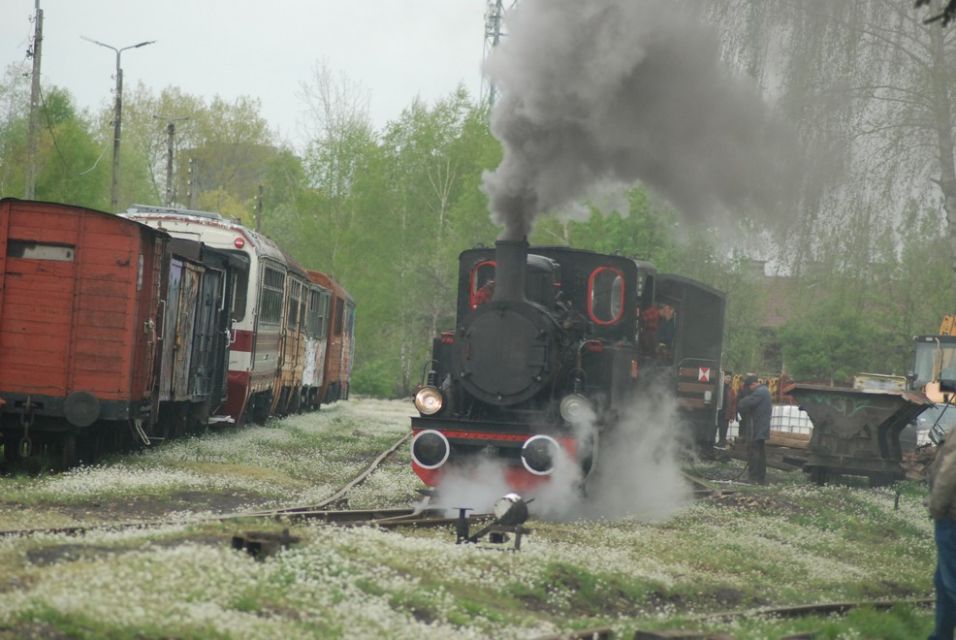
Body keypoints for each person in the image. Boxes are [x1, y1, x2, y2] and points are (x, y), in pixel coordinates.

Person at [928, 427, 956, 640]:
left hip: (951, 518)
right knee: (943, 582)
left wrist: (937, 507)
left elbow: (950, 469)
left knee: (951, 582)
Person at [736, 374, 771, 483]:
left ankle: (754, 477)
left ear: (754, 384)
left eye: (749, 387)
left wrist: (743, 397)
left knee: (754, 452)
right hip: (760, 426)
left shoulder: (760, 392)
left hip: (758, 427)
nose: (749, 389)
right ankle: (760, 477)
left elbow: (743, 404)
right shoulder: (764, 391)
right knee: (760, 452)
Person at [715, 371, 736, 449]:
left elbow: (733, 404)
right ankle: (715, 442)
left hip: (726, 413)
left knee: (724, 429)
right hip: (718, 412)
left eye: (729, 378)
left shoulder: (731, 390)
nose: (728, 379)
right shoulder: (718, 387)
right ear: (723, 378)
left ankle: (722, 442)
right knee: (716, 427)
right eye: (727, 377)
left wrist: (732, 416)